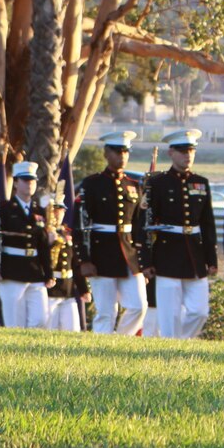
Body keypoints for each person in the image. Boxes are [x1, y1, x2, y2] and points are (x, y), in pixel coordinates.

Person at [142, 129, 217, 339]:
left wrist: (211, 258)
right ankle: (171, 348)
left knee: (199, 311)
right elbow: (144, 224)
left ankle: (180, 343)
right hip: (167, 254)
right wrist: (145, 261)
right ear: (171, 153)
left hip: (194, 254)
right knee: (169, 316)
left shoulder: (201, 182)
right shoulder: (158, 183)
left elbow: (207, 223)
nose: (188, 155)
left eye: (191, 150)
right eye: (183, 151)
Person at [76, 131, 148, 335]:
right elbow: (80, 224)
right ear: (106, 153)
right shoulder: (92, 184)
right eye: (117, 151)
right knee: (106, 311)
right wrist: (84, 260)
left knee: (138, 306)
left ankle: (119, 341)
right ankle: (101, 348)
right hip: (101, 253)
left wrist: (143, 260)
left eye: (125, 151)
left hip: (128, 254)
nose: (122, 156)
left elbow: (138, 226)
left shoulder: (133, 185)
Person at [0, 161, 53, 328]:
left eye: (32, 180)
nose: (29, 184)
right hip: (11, 269)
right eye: (25, 180)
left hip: (34, 269)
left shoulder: (38, 210)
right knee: (14, 322)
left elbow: (43, 245)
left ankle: (33, 350)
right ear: (16, 183)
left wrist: (49, 272)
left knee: (40, 319)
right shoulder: (4, 209)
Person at [45, 196, 89, 331]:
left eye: (61, 210)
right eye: (55, 210)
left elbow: (75, 265)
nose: (58, 214)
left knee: (73, 330)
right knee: (48, 331)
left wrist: (83, 289)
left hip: (68, 291)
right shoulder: (44, 233)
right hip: (50, 292)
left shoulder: (68, 234)